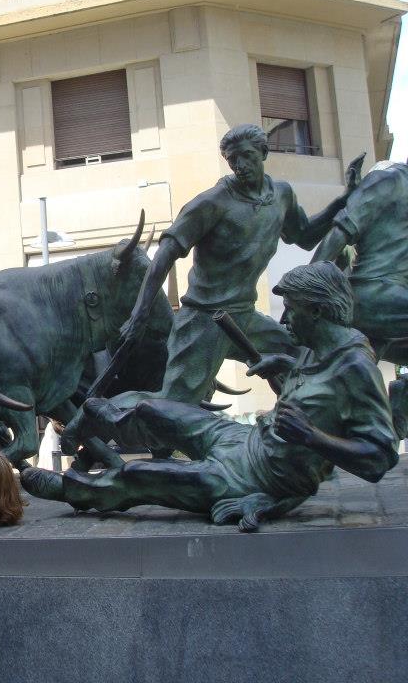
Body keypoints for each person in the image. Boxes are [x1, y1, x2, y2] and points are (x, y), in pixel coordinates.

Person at [21, 262, 399, 532]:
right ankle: (104, 419)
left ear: (318, 311)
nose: (284, 321)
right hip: (246, 440)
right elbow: (314, 400)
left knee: (138, 474)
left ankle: (73, 489)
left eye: (293, 311)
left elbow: (378, 459)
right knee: (152, 409)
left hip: (260, 477)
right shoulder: (317, 349)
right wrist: (283, 367)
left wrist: (312, 438)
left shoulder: (355, 367)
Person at [110, 125, 364, 407]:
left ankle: (302, 421)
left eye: (246, 156)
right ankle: (103, 414)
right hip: (203, 319)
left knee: (306, 351)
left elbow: (304, 236)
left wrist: (344, 198)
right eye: (233, 161)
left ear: (264, 153)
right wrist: (139, 314)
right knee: (175, 407)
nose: (240, 166)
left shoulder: (281, 196)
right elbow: (165, 253)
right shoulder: (212, 203)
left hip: (244, 316)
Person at [310, 161, 408, 362]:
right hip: (371, 293)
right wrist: (304, 290)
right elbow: (339, 233)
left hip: (394, 297)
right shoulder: (388, 179)